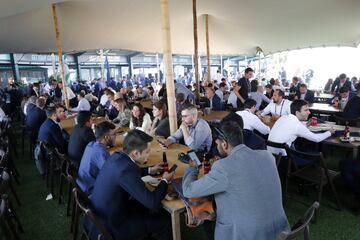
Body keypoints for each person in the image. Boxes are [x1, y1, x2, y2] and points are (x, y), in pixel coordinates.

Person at [182, 121, 289, 240]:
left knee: (208, 218)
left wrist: (192, 169)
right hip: (280, 229)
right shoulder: (267, 156)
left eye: (217, 144)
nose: (217, 147)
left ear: (224, 144)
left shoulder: (223, 167)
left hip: (249, 235)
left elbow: (188, 190)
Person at [87, 130, 174, 240]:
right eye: (147, 152)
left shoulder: (117, 156)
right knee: (165, 221)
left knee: (142, 203)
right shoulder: (126, 171)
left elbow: (129, 171)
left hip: (103, 215)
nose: (149, 154)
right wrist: (165, 181)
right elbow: (152, 203)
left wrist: (149, 170)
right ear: (135, 153)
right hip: (114, 227)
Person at [268, 100, 332, 156]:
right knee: (314, 152)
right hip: (284, 158)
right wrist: (329, 132)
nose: (309, 112)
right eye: (306, 110)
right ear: (297, 112)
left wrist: (306, 125)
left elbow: (294, 128)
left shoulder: (283, 117)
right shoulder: (297, 125)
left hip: (271, 155)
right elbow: (316, 139)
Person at [76, 121, 116, 195]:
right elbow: (111, 176)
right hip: (90, 191)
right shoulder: (101, 152)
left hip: (83, 186)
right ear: (106, 137)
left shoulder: (91, 144)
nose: (115, 136)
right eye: (114, 134)